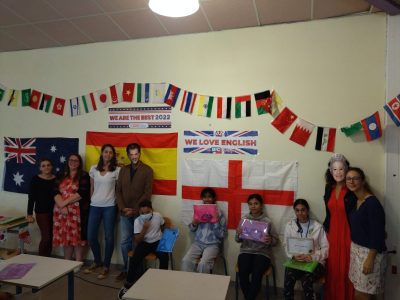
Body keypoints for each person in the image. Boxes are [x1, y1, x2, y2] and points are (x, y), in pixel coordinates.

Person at [346, 167, 387, 300]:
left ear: (363, 181)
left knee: (362, 295)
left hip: (369, 255)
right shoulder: (356, 201)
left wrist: (370, 259)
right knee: (362, 291)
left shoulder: (372, 204)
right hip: (356, 253)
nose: (351, 181)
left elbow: (379, 234)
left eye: (355, 178)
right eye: (348, 179)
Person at [116, 143, 153, 281]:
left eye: (136, 154)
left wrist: (135, 210)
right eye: (131, 154)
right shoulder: (123, 170)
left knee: (137, 242)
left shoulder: (147, 170)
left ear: (140, 153)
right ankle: (127, 269)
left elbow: (147, 193)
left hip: (140, 214)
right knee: (125, 242)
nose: (134, 157)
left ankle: (136, 271)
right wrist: (122, 208)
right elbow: (118, 191)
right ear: (128, 155)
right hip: (124, 212)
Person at [118, 200, 168, 300]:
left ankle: (163, 282)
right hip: (144, 242)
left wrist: (163, 236)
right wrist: (144, 229)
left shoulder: (158, 216)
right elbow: (137, 240)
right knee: (135, 259)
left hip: (157, 241)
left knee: (164, 257)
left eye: (147, 212)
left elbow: (163, 224)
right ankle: (128, 284)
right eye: (142, 213)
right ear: (139, 212)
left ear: (152, 210)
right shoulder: (138, 221)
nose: (145, 215)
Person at [84, 144, 120, 279]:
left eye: (111, 152)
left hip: (110, 206)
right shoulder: (93, 168)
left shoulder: (117, 170)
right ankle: (97, 261)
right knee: (91, 236)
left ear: (113, 155)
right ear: (102, 153)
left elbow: (118, 190)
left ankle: (106, 266)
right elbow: (92, 187)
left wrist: (117, 207)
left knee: (109, 237)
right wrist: (91, 200)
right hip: (95, 206)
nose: (108, 154)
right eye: (106, 152)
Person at [323, 153, 356, 300]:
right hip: (332, 235)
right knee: (333, 269)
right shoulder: (328, 188)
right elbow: (328, 212)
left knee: (346, 269)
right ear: (330, 171)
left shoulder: (352, 189)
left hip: (348, 234)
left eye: (341, 169)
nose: (338, 172)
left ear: (347, 169)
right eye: (334, 169)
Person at [283, 199, 329, 300]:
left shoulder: (318, 226)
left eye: (303, 210)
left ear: (307, 210)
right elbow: (286, 244)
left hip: (315, 262)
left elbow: (326, 248)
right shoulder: (290, 225)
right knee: (288, 275)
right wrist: (293, 256)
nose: (300, 213)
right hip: (297, 261)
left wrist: (313, 257)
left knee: (306, 280)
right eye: (297, 210)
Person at [235, 194, 277, 300]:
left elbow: (276, 241)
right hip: (246, 251)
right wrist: (238, 234)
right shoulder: (244, 219)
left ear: (261, 205)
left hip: (262, 253)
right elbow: (237, 239)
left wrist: (271, 239)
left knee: (256, 275)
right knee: (243, 273)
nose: (253, 206)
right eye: (250, 204)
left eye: (256, 203)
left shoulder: (267, 221)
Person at [52, 153, 90, 265]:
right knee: (66, 236)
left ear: (79, 163)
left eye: (76, 160)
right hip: (61, 212)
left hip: (78, 212)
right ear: (67, 161)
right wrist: (61, 206)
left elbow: (82, 193)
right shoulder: (60, 174)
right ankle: (67, 262)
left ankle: (78, 262)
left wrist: (64, 204)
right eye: (71, 160)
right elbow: (54, 191)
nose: (73, 162)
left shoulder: (83, 175)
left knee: (77, 238)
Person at [181, 187, 227, 273]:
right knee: (185, 260)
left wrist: (216, 221)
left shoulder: (220, 213)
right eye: (204, 197)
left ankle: (202, 284)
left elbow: (222, 235)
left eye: (209, 197)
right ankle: (188, 282)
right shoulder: (198, 211)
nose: (207, 199)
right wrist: (194, 223)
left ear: (214, 198)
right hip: (198, 243)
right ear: (202, 198)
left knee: (203, 264)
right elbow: (192, 229)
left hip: (213, 245)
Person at [26, 158, 56, 257]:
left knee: (51, 236)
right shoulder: (35, 179)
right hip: (41, 212)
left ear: (51, 166)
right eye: (43, 166)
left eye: (48, 165)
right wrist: (29, 214)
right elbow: (31, 198)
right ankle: (41, 258)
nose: (46, 167)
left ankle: (48, 257)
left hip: (55, 212)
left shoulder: (56, 179)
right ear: (40, 168)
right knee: (46, 237)